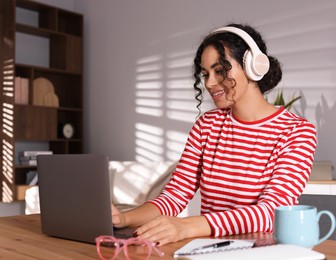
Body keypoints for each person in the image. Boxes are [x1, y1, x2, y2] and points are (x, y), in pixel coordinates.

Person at [112, 23, 317, 246]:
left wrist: (187, 226)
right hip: (207, 250)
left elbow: (270, 213)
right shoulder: (207, 125)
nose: (209, 83)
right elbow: (175, 195)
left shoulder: (297, 132)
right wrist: (124, 218)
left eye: (220, 71)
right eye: (205, 74)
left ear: (252, 66)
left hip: (258, 253)